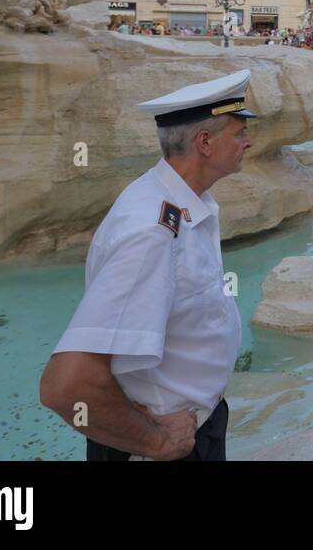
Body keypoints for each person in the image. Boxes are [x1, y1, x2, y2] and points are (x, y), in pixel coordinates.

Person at [40, 70, 253, 460]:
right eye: (239, 132)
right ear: (205, 142)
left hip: (194, 425)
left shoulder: (180, 202)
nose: (248, 141)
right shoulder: (152, 234)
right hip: (158, 445)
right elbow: (66, 387)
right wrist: (157, 442)